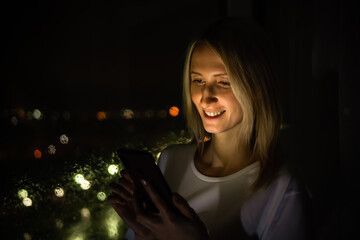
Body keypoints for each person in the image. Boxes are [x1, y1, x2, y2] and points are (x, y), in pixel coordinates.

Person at [109, 17, 311, 240]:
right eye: (198, 81)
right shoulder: (170, 160)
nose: (206, 98)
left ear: (258, 88)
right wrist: (142, 230)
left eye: (223, 82)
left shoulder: (283, 187)